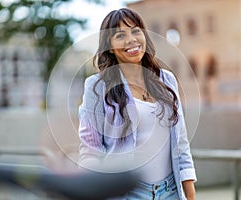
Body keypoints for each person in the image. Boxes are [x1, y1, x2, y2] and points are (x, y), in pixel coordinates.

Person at [78, 8, 196, 200]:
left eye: (135, 31)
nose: (131, 39)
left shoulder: (166, 79)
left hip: (171, 191)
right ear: (108, 46)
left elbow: (180, 144)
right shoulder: (97, 86)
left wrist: (190, 195)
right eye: (120, 35)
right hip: (126, 193)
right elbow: (91, 149)